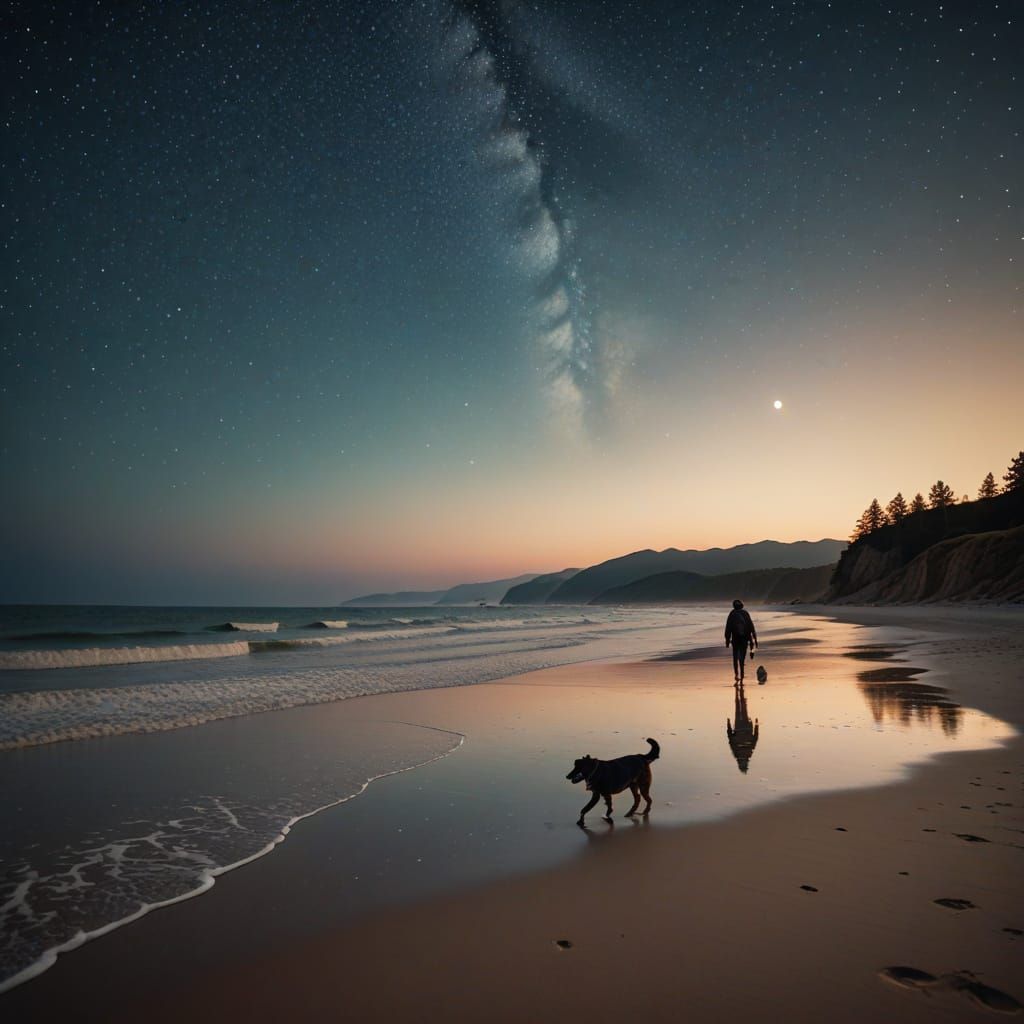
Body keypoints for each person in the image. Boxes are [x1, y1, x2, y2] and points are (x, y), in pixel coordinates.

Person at [724, 599, 757, 683]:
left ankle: (736, 674)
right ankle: (742, 672)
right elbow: (751, 626)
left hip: (735, 638)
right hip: (745, 637)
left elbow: (728, 627)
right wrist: (754, 638)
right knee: (742, 655)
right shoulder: (745, 613)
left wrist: (727, 640)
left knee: (735, 657)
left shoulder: (732, 614)